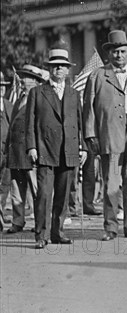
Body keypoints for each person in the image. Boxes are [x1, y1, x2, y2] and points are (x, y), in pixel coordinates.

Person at [83, 30, 127, 241]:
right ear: (109, 54)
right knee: (111, 183)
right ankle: (110, 228)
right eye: (115, 52)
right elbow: (88, 109)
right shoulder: (97, 75)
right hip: (110, 132)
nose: (119, 55)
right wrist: (90, 135)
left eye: (123, 51)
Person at [26, 48, 87, 249]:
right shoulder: (37, 92)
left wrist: (83, 147)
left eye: (62, 66)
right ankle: (41, 235)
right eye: (55, 66)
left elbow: (80, 122)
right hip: (44, 150)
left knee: (63, 194)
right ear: (49, 69)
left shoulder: (73, 94)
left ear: (68, 70)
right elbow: (30, 122)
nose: (59, 69)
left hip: (68, 150)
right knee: (44, 194)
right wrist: (32, 146)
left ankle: (57, 233)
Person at [5, 65, 47, 234]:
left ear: (36, 81)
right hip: (15, 152)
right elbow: (11, 125)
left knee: (37, 190)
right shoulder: (19, 98)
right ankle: (17, 221)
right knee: (16, 191)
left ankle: (40, 223)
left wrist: (36, 148)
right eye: (22, 76)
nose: (22, 80)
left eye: (26, 77)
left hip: (31, 152)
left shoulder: (40, 99)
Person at [0, 73, 14, 231]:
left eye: (3, 86)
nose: (1, 89)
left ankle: (1, 215)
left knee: (4, 187)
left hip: (6, 154)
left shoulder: (9, 106)